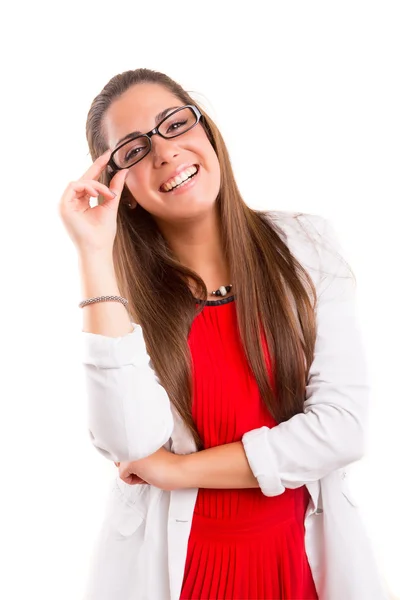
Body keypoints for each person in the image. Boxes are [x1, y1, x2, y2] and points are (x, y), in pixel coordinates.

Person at [58, 68, 388, 600]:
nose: (164, 152)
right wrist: (95, 253)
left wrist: (176, 470)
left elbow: (342, 430)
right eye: (134, 150)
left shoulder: (305, 245)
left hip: (294, 567)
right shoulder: (119, 300)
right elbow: (128, 443)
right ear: (124, 189)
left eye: (174, 124)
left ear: (206, 131)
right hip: (181, 573)